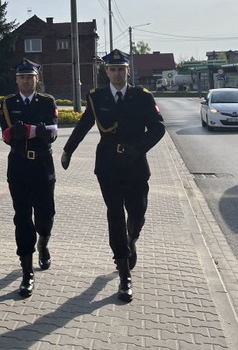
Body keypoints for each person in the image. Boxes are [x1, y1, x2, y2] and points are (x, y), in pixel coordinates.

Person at [61, 49, 165, 302]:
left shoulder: (142, 96)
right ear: (106, 72)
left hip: (135, 164)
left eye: (121, 69)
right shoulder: (96, 97)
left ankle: (132, 238)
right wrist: (68, 150)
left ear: (128, 71)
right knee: (115, 214)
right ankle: (124, 272)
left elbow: (158, 128)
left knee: (137, 212)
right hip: (108, 165)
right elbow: (84, 124)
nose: (117, 74)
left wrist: (137, 149)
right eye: (113, 69)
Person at [0, 59, 59, 297]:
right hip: (19, 165)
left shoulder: (47, 101)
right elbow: (6, 135)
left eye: (30, 77)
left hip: (43, 165)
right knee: (22, 218)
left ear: (37, 79)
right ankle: (26, 270)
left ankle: (43, 242)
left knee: (46, 215)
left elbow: (53, 132)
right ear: (16, 80)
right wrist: (19, 135)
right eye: (22, 77)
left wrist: (40, 133)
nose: (26, 81)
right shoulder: (7, 104)